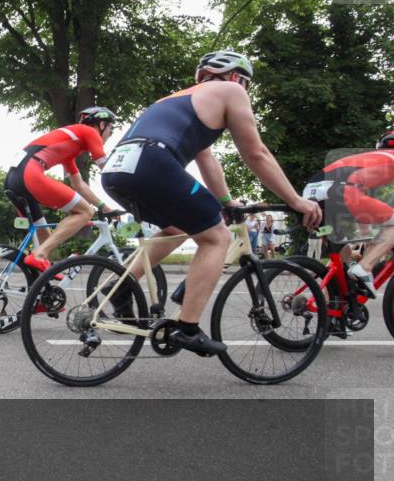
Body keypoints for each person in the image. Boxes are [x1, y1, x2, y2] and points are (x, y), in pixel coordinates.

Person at [101, 50, 321, 356]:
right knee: (217, 237)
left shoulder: (176, 99)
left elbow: (206, 159)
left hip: (116, 170)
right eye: (245, 83)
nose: (245, 90)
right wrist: (296, 200)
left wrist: (226, 201)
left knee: (176, 227)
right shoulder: (231, 91)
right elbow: (256, 153)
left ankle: (122, 283)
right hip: (153, 162)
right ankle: (187, 328)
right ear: (235, 77)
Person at [4, 106, 117, 272]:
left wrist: (105, 207)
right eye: (110, 130)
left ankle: (42, 286)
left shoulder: (70, 148)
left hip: (12, 179)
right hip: (30, 172)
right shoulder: (90, 132)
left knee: (45, 236)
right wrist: (131, 194)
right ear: (101, 124)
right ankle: (39, 255)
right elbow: (106, 168)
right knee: (85, 212)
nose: (109, 135)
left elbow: (79, 185)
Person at [302, 130, 394, 294]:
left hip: (311, 195)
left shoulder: (366, 158)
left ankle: (324, 304)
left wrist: (368, 231)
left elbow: (362, 200)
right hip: (341, 191)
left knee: (343, 252)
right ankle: (365, 267)